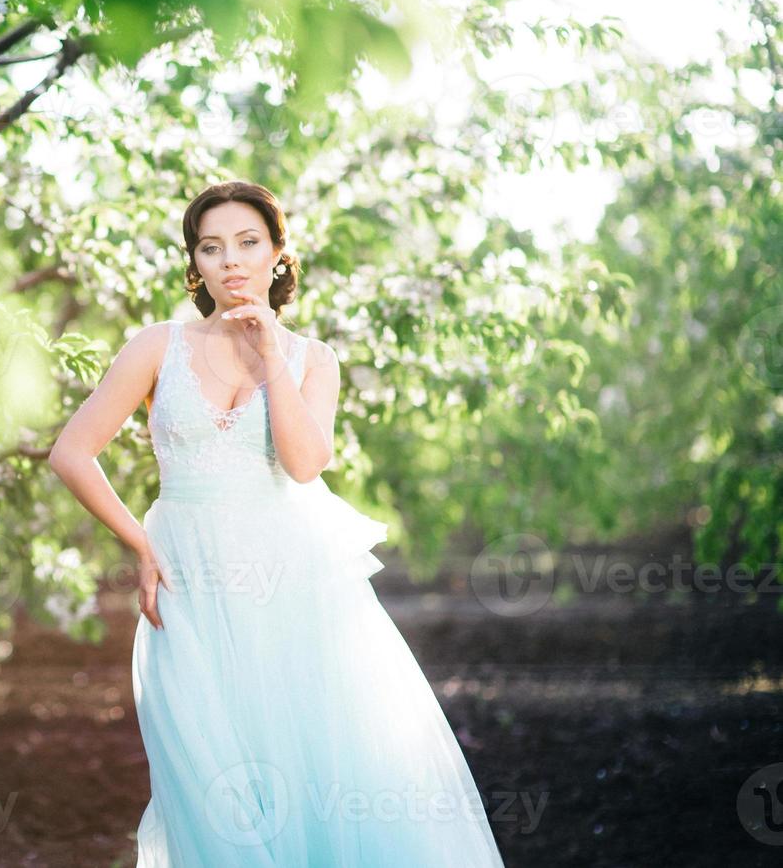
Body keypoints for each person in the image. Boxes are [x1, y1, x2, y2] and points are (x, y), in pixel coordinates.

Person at [48, 181, 507, 865]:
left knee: (315, 764)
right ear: (195, 264)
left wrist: (269, 355)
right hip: (187, 577)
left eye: (247, 243)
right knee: (206, 778)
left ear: (277, 255)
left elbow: (302, 464)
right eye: (211, 247)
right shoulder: (156, 346)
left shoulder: (312, 359)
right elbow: (71, 453)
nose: (230, 260)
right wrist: (140, 544)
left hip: (290, 582)